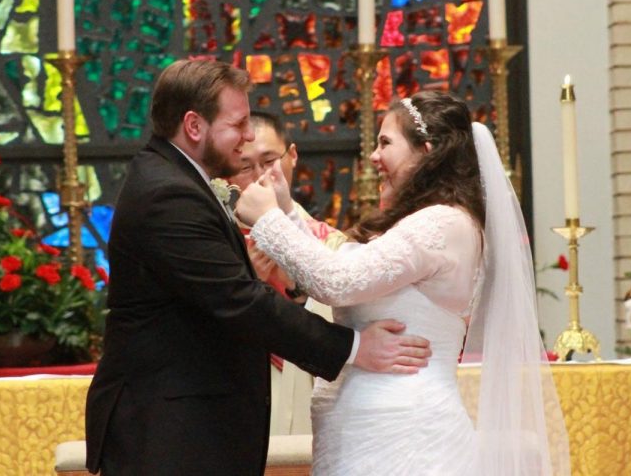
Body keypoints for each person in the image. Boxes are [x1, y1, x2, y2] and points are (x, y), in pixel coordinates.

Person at [84, 59, 432, 476]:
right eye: (239, 123)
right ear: (194, 126)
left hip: (187, 425)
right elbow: (241, 301)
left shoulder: (174, 178)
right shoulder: (168, 194)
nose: (248, 137)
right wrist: (356, 348)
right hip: (169, 432)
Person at [237, 91, 571, 475]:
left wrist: (267, 220)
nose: (374, 157)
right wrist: (285, 212)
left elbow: (337, 282)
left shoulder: (443, 223)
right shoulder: (416, 222)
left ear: (425, 152)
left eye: (385, 143)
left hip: (406, 434)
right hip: (367, 432)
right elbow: (336, 266)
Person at [228, 111, 346, 435]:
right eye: (244, 166)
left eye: (269, 161)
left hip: (312, 389)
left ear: (292, 156)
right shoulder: (217, 249)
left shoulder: (329, 244)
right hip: (239, 392)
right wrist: (246, 281)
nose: (259, 177)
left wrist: (298, 289)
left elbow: (348, 322)